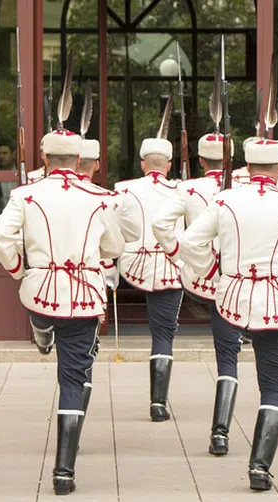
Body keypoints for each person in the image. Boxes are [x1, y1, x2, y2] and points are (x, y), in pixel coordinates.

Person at [177, 138, 278, 491]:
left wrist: (210, 270)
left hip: (232, 299)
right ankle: (259, 468)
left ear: (246, 167)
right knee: (274, 387)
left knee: (228, 363)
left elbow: (189, 242)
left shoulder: (225, 200)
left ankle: (222, 433)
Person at [0, 129, 127, 496]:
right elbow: (115, 246)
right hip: (83, 295)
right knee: (73, 382)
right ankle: (64, 472)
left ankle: (42, 327)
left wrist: (18, 267)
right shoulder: (101, 198)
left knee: (41, 313)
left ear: (45, 159)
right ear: (79, 161)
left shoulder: (25, 194)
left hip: (41, 292)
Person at [152, 132, 243, 455]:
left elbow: (160, 223)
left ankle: (218, 432)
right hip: (239, 281)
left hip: (201, 280)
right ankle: (220, 433)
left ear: (201, 160)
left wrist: (180, 255)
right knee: (228, 358)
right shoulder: (246, 188)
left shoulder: (188, 188)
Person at [114, 137, 184, 422]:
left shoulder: (122, 189)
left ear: (142, 164)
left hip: (132, 266)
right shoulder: (182, 190)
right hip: (171, 266)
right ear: (169, 165)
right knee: (163, 335)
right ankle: (158, 403)